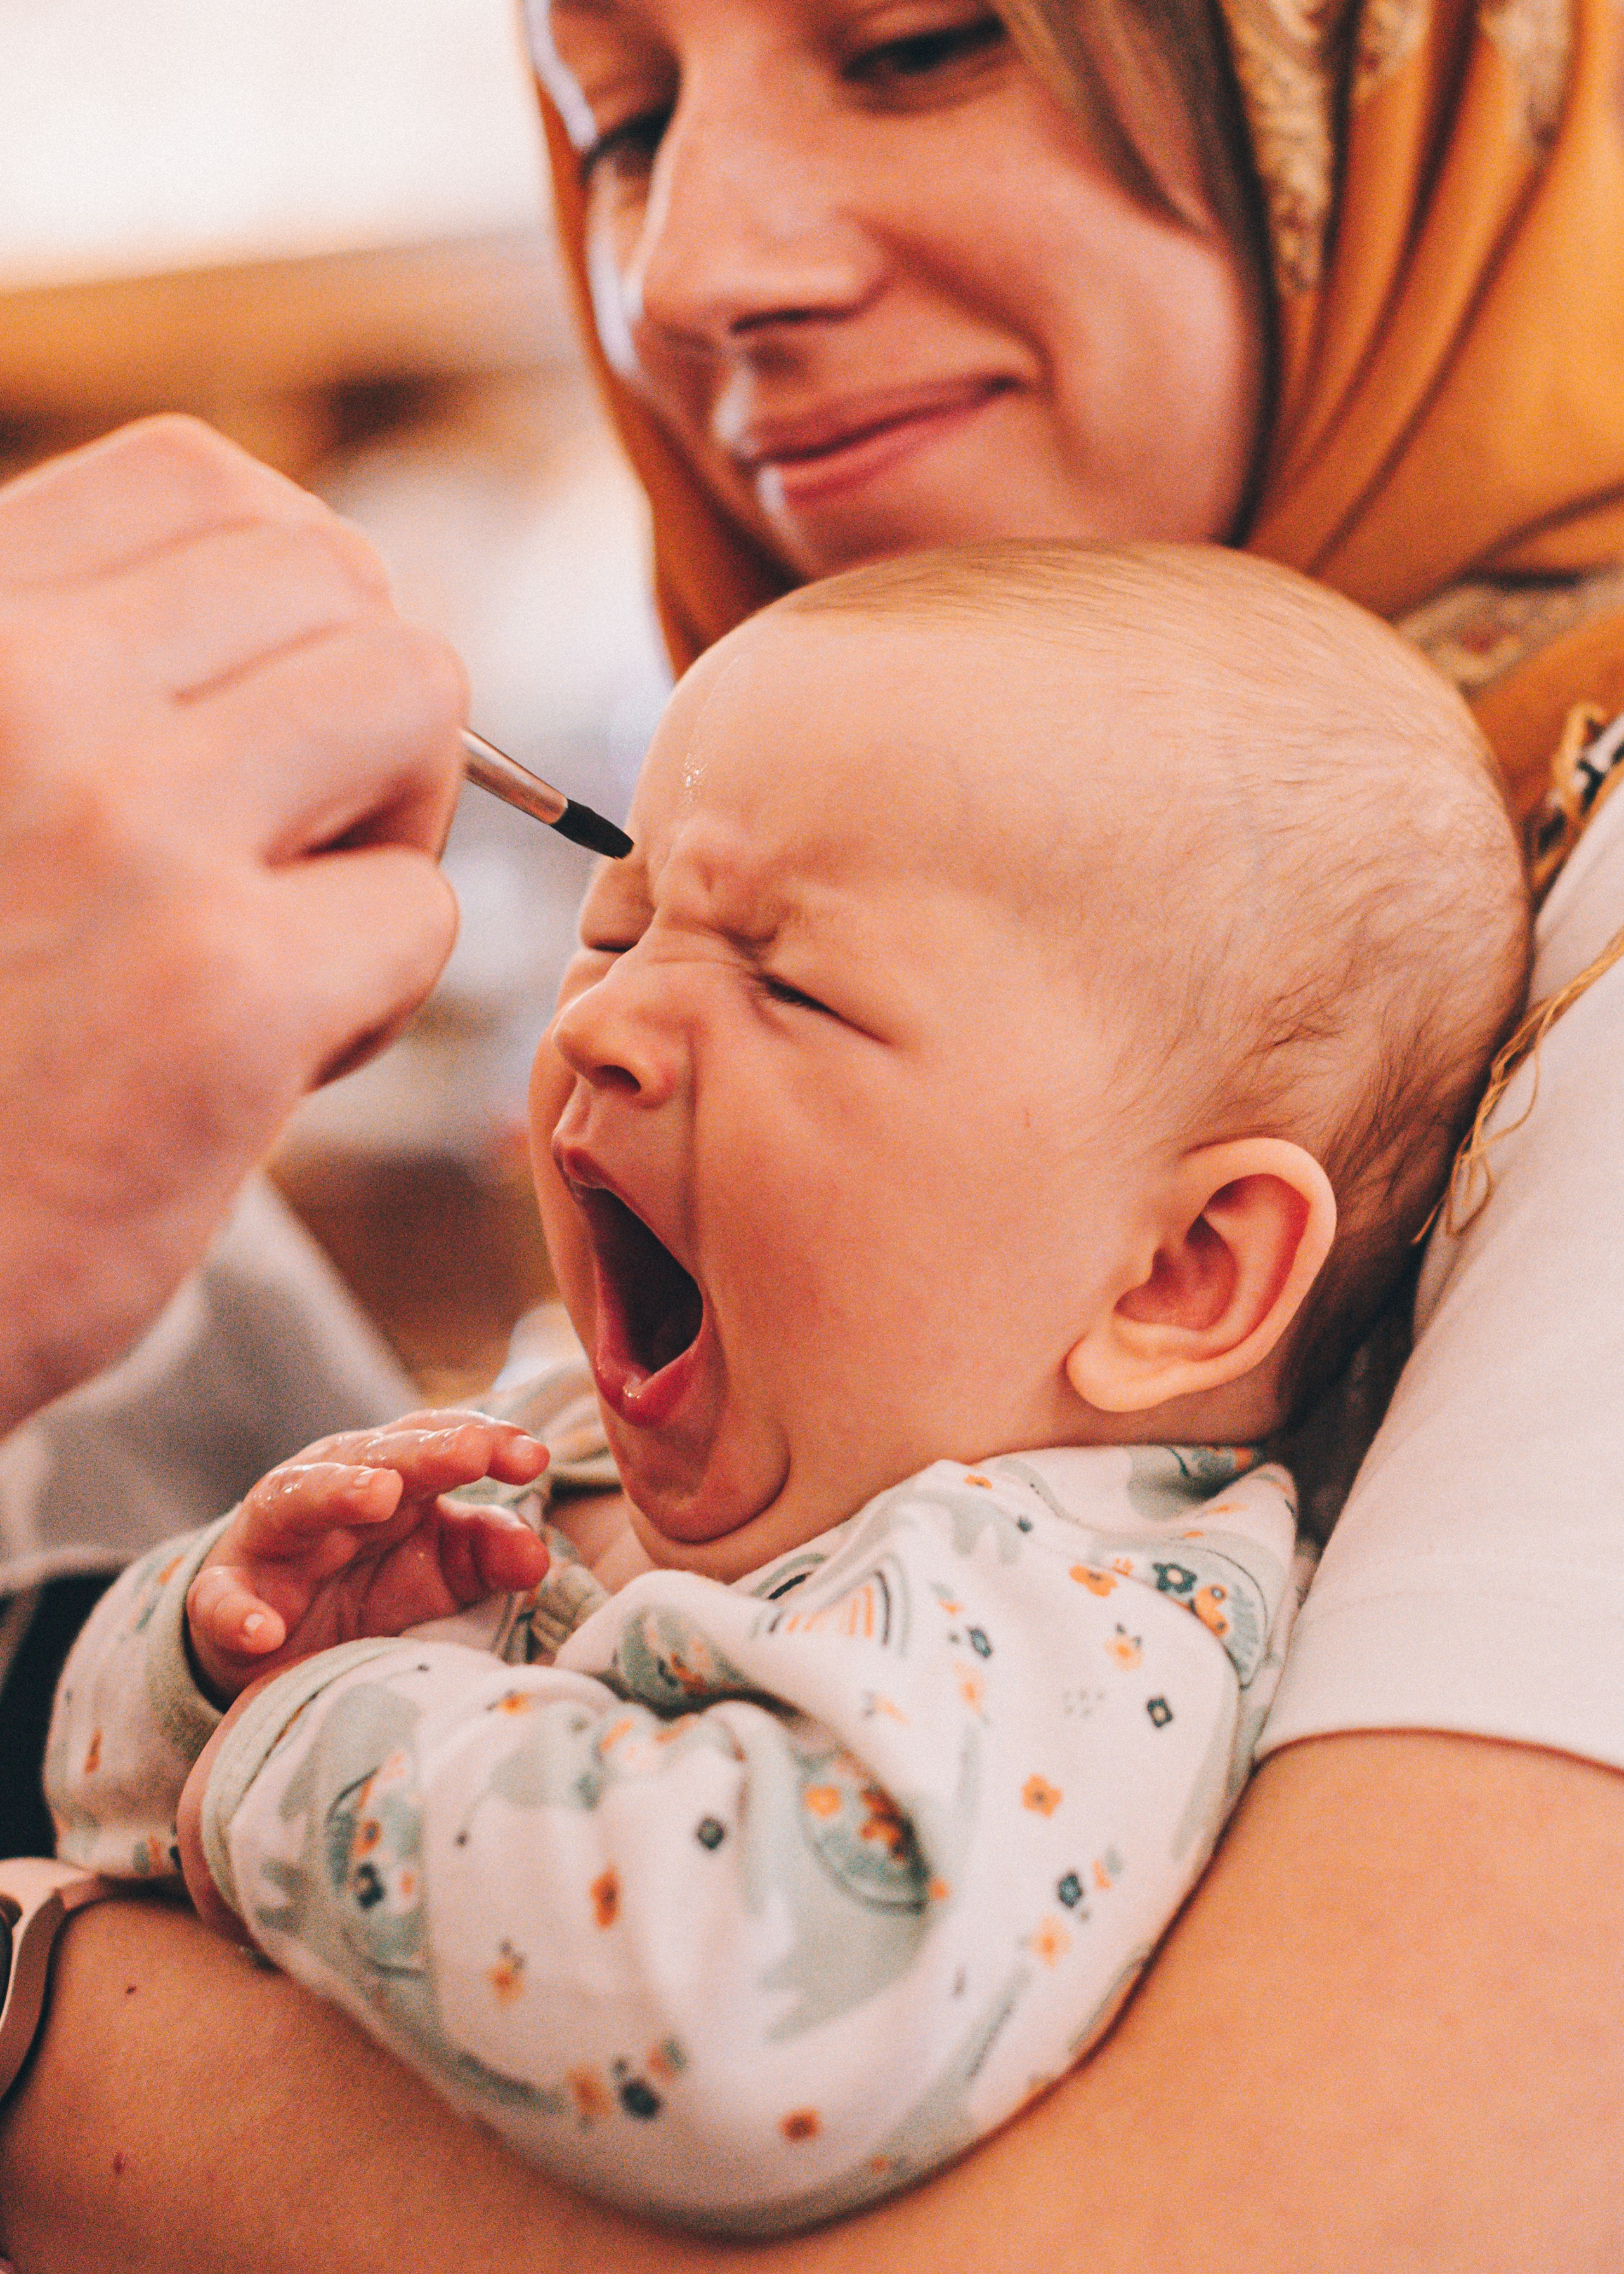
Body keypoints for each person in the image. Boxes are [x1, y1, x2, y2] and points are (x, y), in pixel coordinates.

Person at [6, 0, 1624, 2261]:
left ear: (1184, 1272)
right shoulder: (747, 1383)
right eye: (621, 120)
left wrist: (224, 1820)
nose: (683, 276)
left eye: (919, 44)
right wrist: (214, 1642)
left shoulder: (1041, 1593)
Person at [46, 546, 1526, 2235]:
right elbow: (91, 1788)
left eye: (795, 987)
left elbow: (754, 2017)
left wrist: (292, 1741)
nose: (604, 1025)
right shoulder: (562, 1426)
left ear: (1178, 1271)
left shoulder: (1071, 1616)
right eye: (620, 928)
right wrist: (211, 1641)